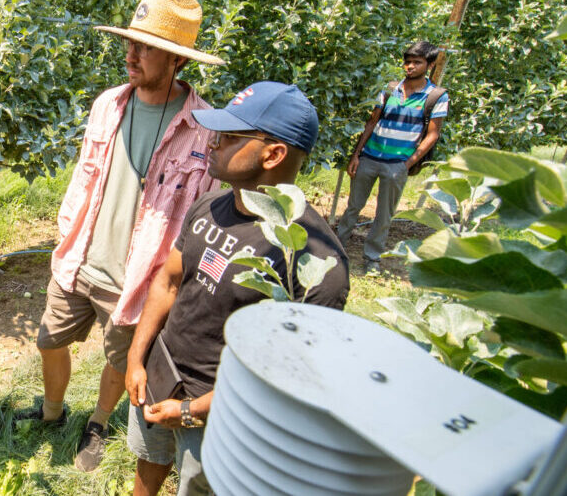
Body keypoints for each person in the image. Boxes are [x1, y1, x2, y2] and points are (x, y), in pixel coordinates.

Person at [17, 0, 223, 473]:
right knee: (50, 340)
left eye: (144, 47)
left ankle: (98, 422)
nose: (130, 55)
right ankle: (51, 412)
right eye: (129, 43)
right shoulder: (108, 104)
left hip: (139, 278)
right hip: (80, 256)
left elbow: (197, 217)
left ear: (174, 58)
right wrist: (66, 228)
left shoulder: (204, 129)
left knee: (119, 357)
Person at [124, 81, 350, 495]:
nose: (213, 143)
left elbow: (284, 377)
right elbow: (169, 281)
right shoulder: (208, 205)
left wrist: (192, 412)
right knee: (149, 463)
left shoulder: (315, 262)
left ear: (273, 153)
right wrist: (137, 357)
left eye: (229, 136)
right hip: (161, 377)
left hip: (222, 414)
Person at [336, 41, 450, 271]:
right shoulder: (390, 88)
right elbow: (372, 122)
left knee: (384, 214)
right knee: (352, 207)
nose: (410, 67)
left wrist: (408, 162)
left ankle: (372, 259)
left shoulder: (436, 96)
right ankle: (336, 248)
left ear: (429, 65)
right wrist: (356, 155)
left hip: (397, 164)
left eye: (417, 62)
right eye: (407, 62)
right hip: (369, 158)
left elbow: (432, 135)